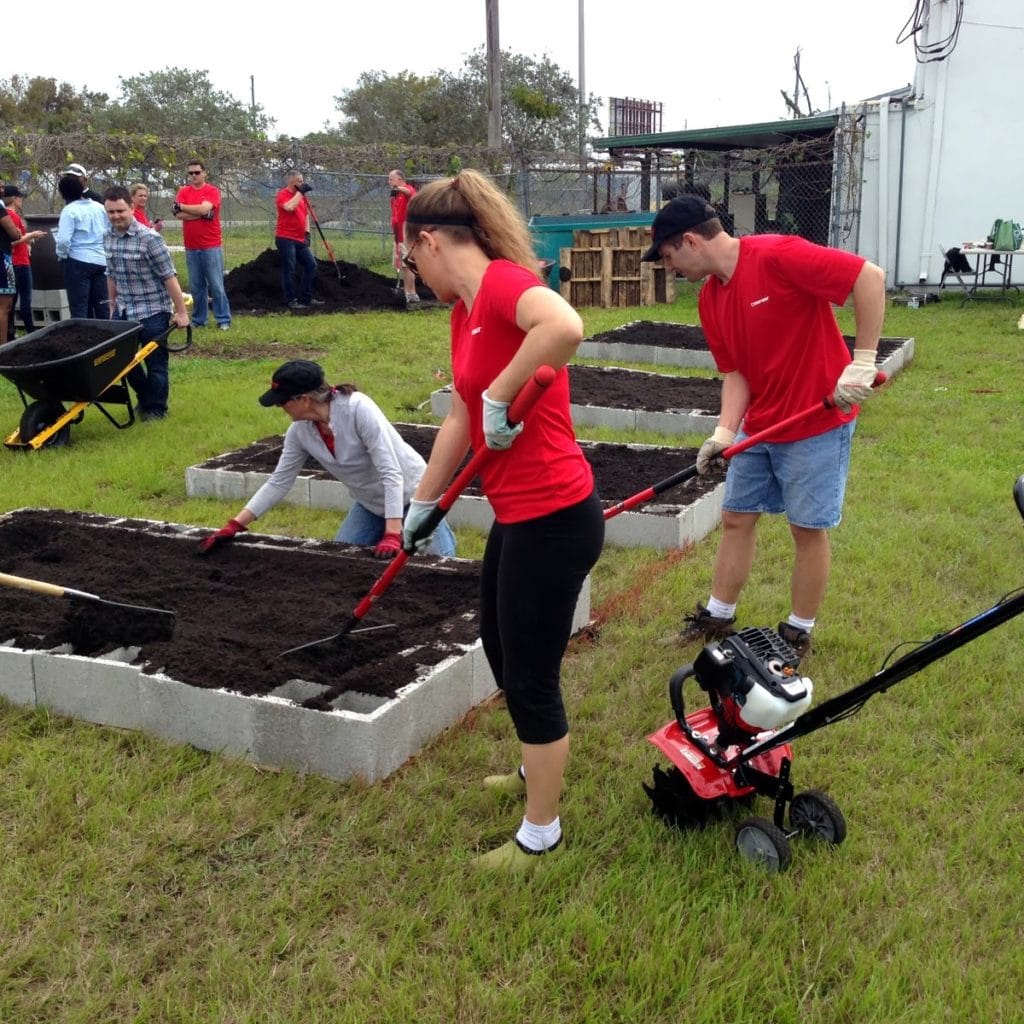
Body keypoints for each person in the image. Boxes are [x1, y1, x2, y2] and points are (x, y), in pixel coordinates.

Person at [400, 170, 605, 871]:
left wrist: (503, 389)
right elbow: (462, 412)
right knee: (499, 643)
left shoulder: (504, 286)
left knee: (531, 669)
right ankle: (531, 768)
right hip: (520, 512)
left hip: (556, 514)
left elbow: (567, 325)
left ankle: (539, 835)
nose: (413, 274)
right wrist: (422, 500)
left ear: (428, 241)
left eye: (408, 259)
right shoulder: (464, 308)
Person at [642, 194, 886, 658]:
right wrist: (725, 432)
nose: (670, 268)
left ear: (691, 241)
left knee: (806, 528)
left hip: (816, 419)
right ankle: (718, 614)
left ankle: (797, 632)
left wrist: (863, 362)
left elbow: (868, 278)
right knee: (736, 517)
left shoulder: (777, 254)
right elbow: (736, 372)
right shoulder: (712, 299)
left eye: (669, 256)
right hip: (761, 426)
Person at [197, 359, 457, 559]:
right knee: (341, 559)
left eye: (283, 401)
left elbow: (391, 473)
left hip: (414, 494)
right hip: (371, 503)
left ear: (305, 399)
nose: (279, 407)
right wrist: (235, 525)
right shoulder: (300, 431)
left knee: (439, 562)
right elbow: (279, 482)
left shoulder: (357, 408)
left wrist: (392, 533)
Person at [103, 186, 190, 421]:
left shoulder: (150, 239)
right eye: (110, 212)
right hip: (124, 310)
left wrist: (180, 312)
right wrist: (112, 305)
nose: (115, 216)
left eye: (120, 210)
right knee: (123, 363)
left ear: (131, 208)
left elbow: (169, 277)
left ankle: (156, 410)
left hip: (152, 310)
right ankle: (146, 396)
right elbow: (111, 274)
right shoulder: (107, 236)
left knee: (156, 363)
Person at [174, 159, 231, 331]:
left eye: (197, 172)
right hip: (191, 246)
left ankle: (223, 319)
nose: (193, 176)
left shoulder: (212, 191)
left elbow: (204, 209)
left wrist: (184, 207)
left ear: (204, 173)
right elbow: (178, 215)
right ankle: (199, 320)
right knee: (196, 285)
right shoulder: (183, 191)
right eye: (190, 173)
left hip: (211, 245)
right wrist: (199, 212)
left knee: (216, 284)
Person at [55, 173, 109, 319]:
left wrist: (62, 255)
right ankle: (109, 338)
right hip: (101, 261)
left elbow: (63, 240)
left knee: (80, 307)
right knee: (103, 305)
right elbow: (109, 231)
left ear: (63, 194)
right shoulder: (99, 207)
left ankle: (84, 339)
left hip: (78, 261)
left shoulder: (69, 210)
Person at [275, 170, 322, 310]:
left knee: (311, 265)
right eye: (300, 181)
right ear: (291, 182)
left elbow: (305, 215)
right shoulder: (282, 195)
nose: (302, 183)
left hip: (299, 238)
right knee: (290, 268)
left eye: (302, 181)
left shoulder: (301, 197)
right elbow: (289, 207)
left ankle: (306, 297)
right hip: (285, 238)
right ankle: (291, 300)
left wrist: (306, 233)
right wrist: (300, 193)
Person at [3, 186, 45, 339]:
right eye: (20, 197)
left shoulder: (10, 215)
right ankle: (32, 335)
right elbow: (11, 242)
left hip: (17, 261)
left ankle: (10, 334)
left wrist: (27, 242)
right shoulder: (10, 216)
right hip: (19, 263)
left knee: (11, 303)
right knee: (23, 302)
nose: (22, 200)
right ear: (14, 198)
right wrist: (31, 235)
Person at [388, 169, 419, 306]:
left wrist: (398, 189)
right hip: (397, 233)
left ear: (400, 179)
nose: (389, 182)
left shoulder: (407, 190)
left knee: (407, 264)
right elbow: (394, 215)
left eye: (391, 179)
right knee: (400, 264)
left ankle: (410, 292)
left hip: (405, 234)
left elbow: (409, 193)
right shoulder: (394, 196)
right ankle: (409, 292)